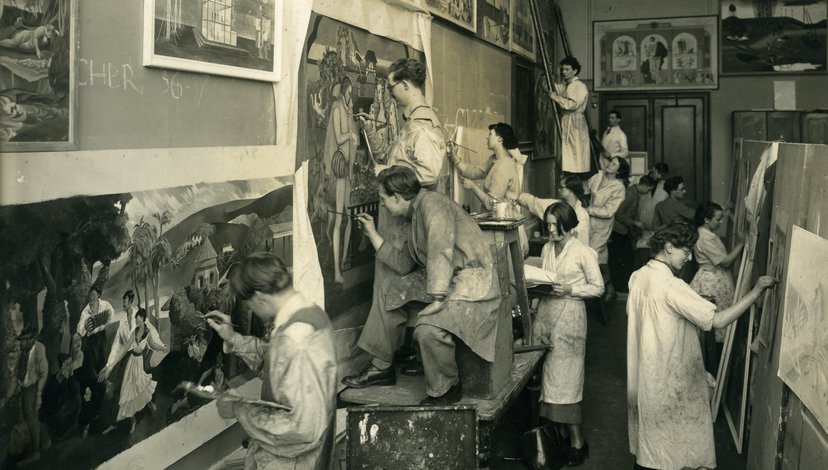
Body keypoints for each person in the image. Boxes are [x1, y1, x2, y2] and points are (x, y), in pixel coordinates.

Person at [342, 166, 501, 405]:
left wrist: (437, 299)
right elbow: (404, 263)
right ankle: (381, 367)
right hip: (450, 279)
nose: (382, 205)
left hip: (472, 281)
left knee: (427, 329)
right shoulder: (417, 214)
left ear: (397, 197)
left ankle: (446, 388)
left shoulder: (432, 204)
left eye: (383, 199)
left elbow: (440, 250)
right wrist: (372, 233)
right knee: (390, 289)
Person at [626, 221, 775, 470]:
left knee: (654, 448)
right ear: (669, 247)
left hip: (647, 378)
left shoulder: (638, 276)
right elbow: (719, 320)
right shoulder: (672, 286)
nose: (690, 258)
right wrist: (756, 291)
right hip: (672, 379)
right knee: (679, 450)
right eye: (686, 251)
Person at [353, 58, 449, 376]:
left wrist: (390, 170)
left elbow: (429, 173)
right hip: (399, 223)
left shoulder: (421, 125)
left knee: (389, 288)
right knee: (396, 289)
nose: (390, 93)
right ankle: (404, 351)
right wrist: (371, 131)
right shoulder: (413, 123)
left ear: (405, 85)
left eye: (392, 86)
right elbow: (397, 158)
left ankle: (381, 365)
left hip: (403, 226)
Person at [207, 252, 337, 469]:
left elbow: (302, 428)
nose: (250, 310)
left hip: (294, 462)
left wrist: (240, 409)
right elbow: (279, 363)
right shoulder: (309, 314)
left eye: (249, 304)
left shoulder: (295, 339)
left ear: (260, 297)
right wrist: (233, 338)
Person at [531, 202, 603, 466]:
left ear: (570, 225)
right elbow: (544, 280)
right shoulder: (547, 249)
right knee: (549, 380)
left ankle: (577, 442)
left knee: (567, 382)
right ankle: (559, 437)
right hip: (547, 314)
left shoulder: (584, 253)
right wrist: (535, 299)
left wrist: (572, 290)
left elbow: (598, 288)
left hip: (571, 317)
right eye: (548, 224)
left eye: (556, 225)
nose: (551, 230)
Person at [97, 307, 167, 434]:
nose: (137, 323)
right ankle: (128, 420)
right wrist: (110, 366)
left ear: (143, 320)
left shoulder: (148, 333)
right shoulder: (134, 332)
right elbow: (124, 349)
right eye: (136, 320)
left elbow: (153, 345)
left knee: (138, 390)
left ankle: (140, 412)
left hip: (139, 364)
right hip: (131, 363)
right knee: (126, 393)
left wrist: (162, 347)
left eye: (139, 321)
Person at [690, 202, 744, 344]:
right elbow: (725, 262)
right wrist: (741, 244)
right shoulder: (704, 238)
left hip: (715, 277)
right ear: (706, 219)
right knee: (716, 318)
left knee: (719, 315)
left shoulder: (707, 234)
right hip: (712, 281)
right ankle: (715, 350)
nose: (721, 222)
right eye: (718, 219)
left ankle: (716, 346)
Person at [323, 76, 358, 284]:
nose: (350, 96)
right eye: (349, 92)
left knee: (349, 217)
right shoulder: (337, 109)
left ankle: (344, 261)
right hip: (339, 171)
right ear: (345, 91)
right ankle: (336, 271)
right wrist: (351, 135)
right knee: (338, 220)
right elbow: (339, 137)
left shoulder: (346, 110)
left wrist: (351, 111)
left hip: (346, 170)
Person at [452, 122, 525, 214]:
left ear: (499, 139)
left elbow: (491, 205)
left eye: (490, 134)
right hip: (496, 217)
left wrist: (473, 186)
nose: (487, 137)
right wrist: (455, 158)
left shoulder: (504, 166)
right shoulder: (494, 159)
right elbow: (474, 172)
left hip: (504, 219)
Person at [585, 156, 628, 302]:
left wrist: (589, 210)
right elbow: (586, 191)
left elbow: (609, 211)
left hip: (602, 226)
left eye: (614, 164)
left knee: (591, 254)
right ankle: (610, 290)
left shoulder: (619, 188)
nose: (610, 164)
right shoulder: (598, 176)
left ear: (619, 170)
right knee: (601, 257)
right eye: (611, 161)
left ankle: (596, 289)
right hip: (588, 221)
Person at [607, 174, 655, 296]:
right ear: (643, 186)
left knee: (627, 258)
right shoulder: (629, 194)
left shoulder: (635, 194)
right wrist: (635, 223)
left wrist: (639, 225)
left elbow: (632, 212)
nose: (648, 193)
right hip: (618, 231)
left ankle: (622, 286)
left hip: (624, 230)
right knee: (624, 258)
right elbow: (618, 214)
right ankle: (620, 286)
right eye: (648, 190)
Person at [75, 284, 114, 431]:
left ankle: (102, 380)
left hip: (101, 336)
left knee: (102, 357)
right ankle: (97, 384)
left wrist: (102, 326)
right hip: (90, 340)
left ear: (98, 295)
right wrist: (85, 328)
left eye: (93, 295)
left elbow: (110, 313)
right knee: (93, 358)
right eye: (90, 295)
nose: (91, 297)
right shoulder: (86, 311)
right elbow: (79, 329)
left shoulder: (104, 305)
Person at [518, 175, 591, 247]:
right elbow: (534, 203)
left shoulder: (582, 215)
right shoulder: (554, 206)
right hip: (553, 251)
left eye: (561, 187)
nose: (558, 190)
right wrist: (517, 196)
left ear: (571, 190)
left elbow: (583, 245)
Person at [548, 56, 590, 175]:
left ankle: (574, 179)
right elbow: (556, 89)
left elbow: (572, 104)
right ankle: (569, 176)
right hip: (568, 120)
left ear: (575, 71)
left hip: (575, 122)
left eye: (567, 69)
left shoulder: (578, 86)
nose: (564, 72)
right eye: (562, 69)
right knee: (568, 155)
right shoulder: (567, 85)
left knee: (575, 156)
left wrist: (556, 98)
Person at [13, 326, 48, 462]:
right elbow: (17, 375)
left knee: (31, 416)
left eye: (24, 340)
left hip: (34, 387)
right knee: (28, 416)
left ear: (32, 340)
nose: (21, 343)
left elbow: (44, 372)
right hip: (24, 388)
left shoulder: (40, 349)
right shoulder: (23, 352)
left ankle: (35, 451)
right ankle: (42, 442)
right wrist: (8, 396)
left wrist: (38, 394)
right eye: (21, 340)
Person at [39, 353, 81, 443]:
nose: (70, 366)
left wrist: (70, 377)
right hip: (52, 415)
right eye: (68, 364)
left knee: (78, 400)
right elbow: (50, 404)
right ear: (62, 366)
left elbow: (76, 392)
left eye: (71, 363)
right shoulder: (53, 380)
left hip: (62, 413)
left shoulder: (68, 379)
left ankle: (69, 435)